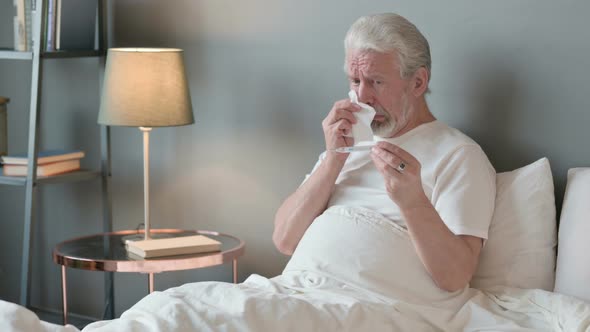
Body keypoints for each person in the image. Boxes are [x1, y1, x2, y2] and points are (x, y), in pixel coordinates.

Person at [272, 13, 496, 293]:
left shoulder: (458, 155)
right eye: (355, 81)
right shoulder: (345, 143)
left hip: (372, 303)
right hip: (299, 289)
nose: (363, 96)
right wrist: (333, 159)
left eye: (376, 82)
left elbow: (454, 278)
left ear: (417, 82)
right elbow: (284, 240)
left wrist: (413, 202)